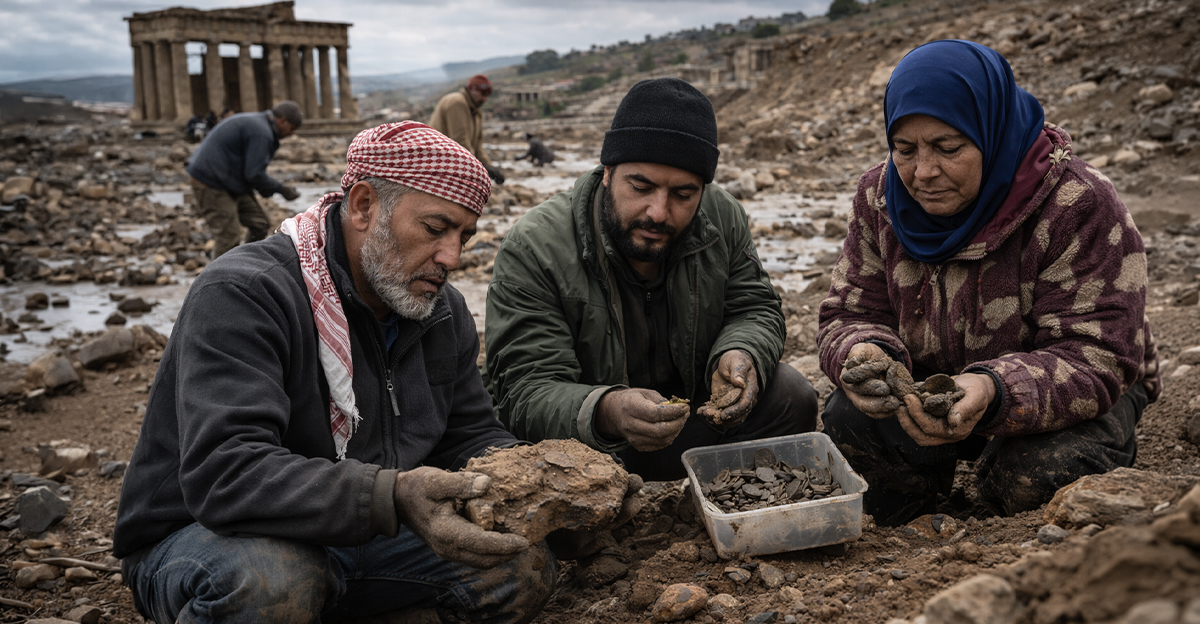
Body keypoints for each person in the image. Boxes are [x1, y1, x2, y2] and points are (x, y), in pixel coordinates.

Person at [113, 122, 568, 624]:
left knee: (518, 564)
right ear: (364, 206)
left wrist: (542, 481)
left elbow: (468, 434)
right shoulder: (246, 293)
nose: (452, 258)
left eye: (465, 236)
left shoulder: (441, 310)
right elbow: (227, 474)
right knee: (274, 581)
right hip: (210, 534)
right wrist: (391, 496)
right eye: (435, 229)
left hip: (363, 529)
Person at [817, 40, 1161, 526]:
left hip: (1063, 390)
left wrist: (994, 388)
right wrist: (864, 352)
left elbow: (1098, 354)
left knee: (1039, 474)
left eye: (948, 148)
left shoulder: (1077, 204)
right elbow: (850, 311)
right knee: (851, 422)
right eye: (905, 149)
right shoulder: (880, 196)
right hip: (933, 388)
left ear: (992, 132)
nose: (923, 172)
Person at [484, 78, 819, 483]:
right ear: (607, 172)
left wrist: (741, 353)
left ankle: (720, 494)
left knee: (790, 395)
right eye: (641, 187)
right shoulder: (536, 246)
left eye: (683, 195)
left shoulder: (721, 217)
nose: (659, 212)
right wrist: (607, 410)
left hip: (688, 428)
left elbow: (754, 307)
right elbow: (526, 390)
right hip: (589, 448)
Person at [187, 101, 303, 259]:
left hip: (230, 180)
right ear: (283, 121)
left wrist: (269, 188)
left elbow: (251, 172)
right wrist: (281, 189)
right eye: (292, 129)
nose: (291, 134)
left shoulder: (261, 125)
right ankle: (221, 273)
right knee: (228, 236)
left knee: (260, 223)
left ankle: (245, 263)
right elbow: (254, 174)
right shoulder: (262, 132)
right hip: (210, 181)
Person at [429, 74, 505, 184]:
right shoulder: (457, 102)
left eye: (487, 95)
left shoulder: (475, 110)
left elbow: (477, 146)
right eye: (483, 94)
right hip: (441, 163)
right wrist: (481, 169)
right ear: (473, 90)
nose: (484, 99)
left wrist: (489, 167)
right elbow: (460, 142)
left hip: (455, 163)